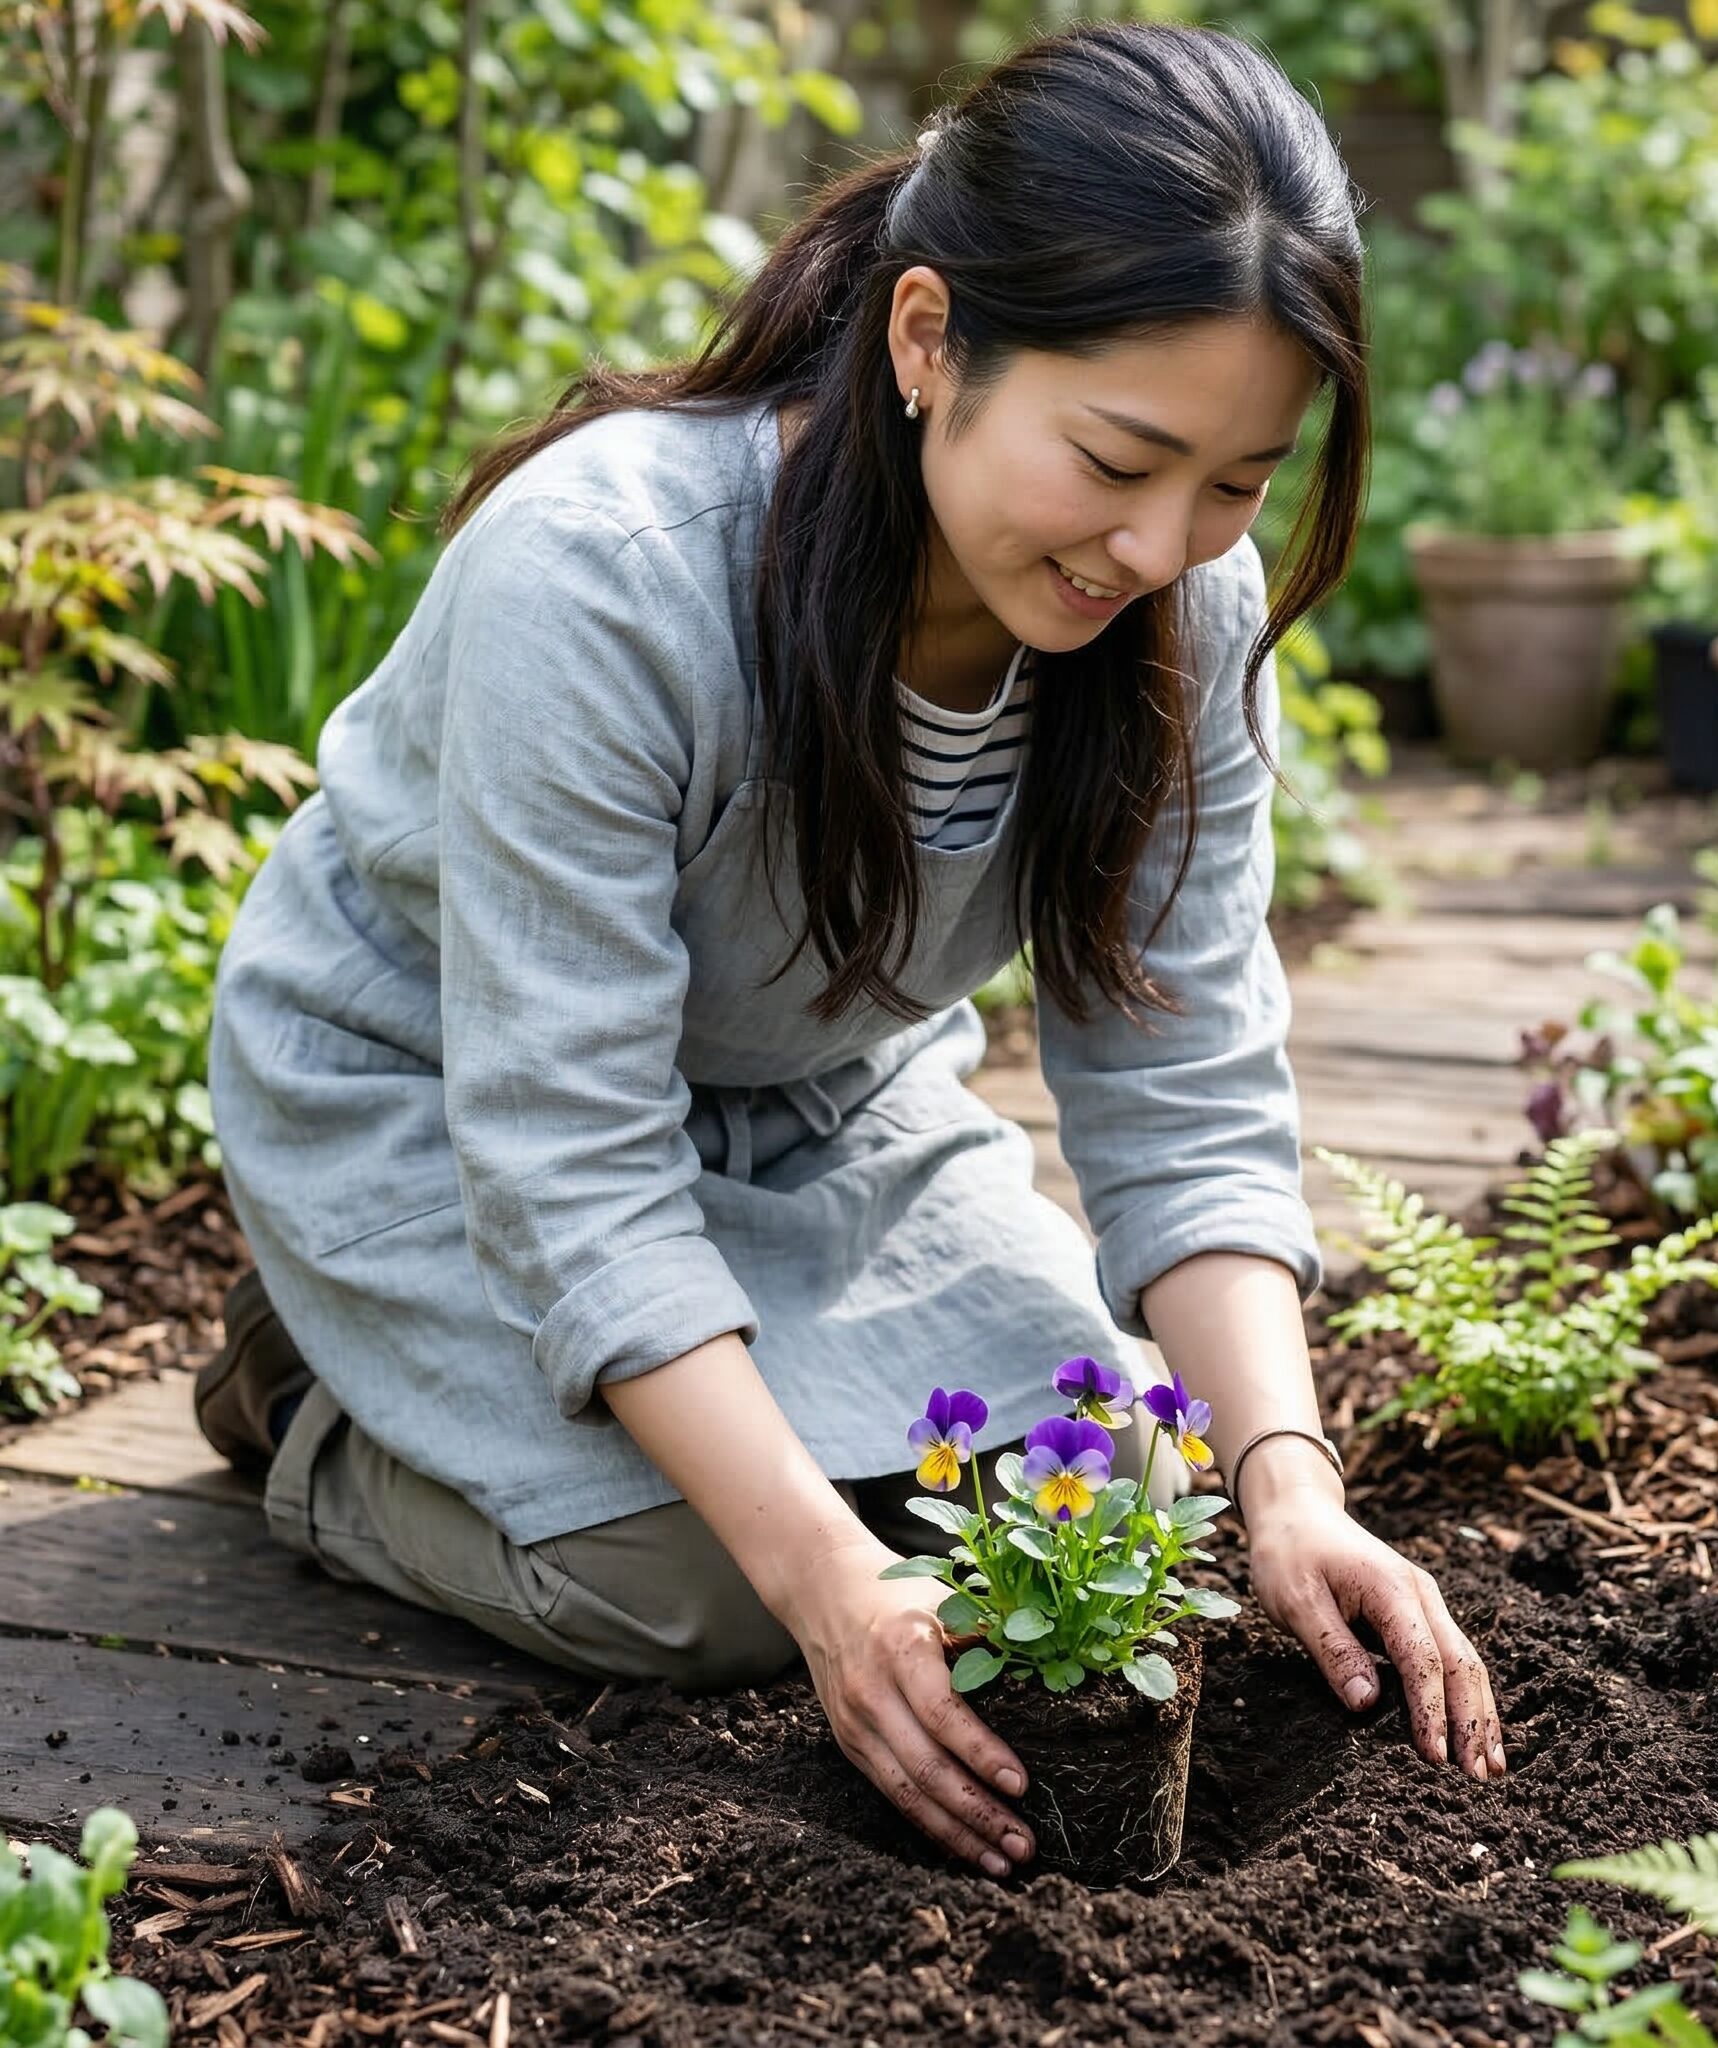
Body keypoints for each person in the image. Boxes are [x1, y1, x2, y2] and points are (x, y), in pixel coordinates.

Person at [194, 19, 1506, 1881]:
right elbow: (565, 1151)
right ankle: (314, 1398)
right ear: (924, 339)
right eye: (1121, 456)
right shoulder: (608, 577)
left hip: (809, 1106)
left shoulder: (1183, 614)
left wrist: (1293, 1478)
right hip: (432, 1101)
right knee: (705, 1594)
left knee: (1123, 1508)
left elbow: (1183, 1076)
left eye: (1236, 481)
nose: (1162, 544)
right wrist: (827, 1591)